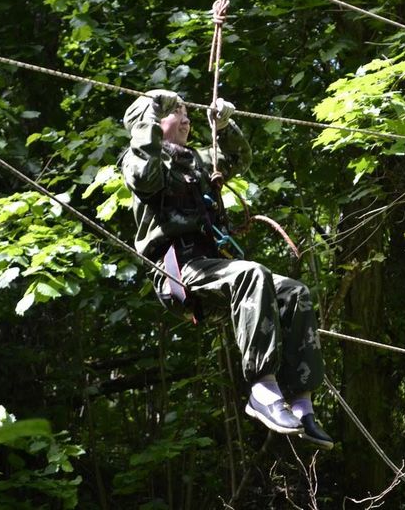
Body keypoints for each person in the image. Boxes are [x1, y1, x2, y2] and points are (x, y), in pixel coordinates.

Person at [120, 89, 333, 449]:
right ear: (155, 123)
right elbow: (145, 178)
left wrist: (224, 124)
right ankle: (262, 390)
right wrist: (150, 109)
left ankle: (301, 405)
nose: (187, 118)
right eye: (177, 112)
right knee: (252, 273)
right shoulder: (141, 158)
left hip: (213, 265)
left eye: (189, 112)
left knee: (295, 293)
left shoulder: (197, 161)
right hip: (178, 269)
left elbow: (237, 157)